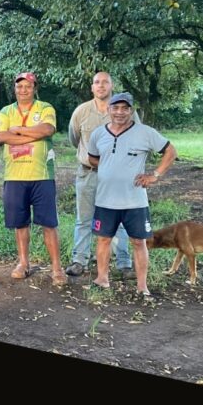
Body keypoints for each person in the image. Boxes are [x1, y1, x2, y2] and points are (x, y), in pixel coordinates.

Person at [87, 91, 177, 295]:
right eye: (115, 108)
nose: (120, 112)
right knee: (103, 239)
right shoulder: (98, 134)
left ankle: (142, 286)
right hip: (105, 199)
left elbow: (171, 151)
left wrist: (155, 175)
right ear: (108, 110)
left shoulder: (145, 132)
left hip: (135, 201)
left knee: (138, 242)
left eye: (124, 108)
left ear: (131, 110)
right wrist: (110, 167)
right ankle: (102, 279)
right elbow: (92, 158)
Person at [0, 72, 67, 286]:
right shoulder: (6, 111)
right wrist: (32, 136)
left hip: (42, 175)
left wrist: (18, 131)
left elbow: (47, 129)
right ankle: (23, 263)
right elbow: (1, 136)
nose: (23, 90)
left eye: (28, 86)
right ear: (15, 89)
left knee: (49, 223)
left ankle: (57, 268)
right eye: (20, 86)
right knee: (20, 223)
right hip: (14, 176)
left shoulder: (45, 108)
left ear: (35, 88)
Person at [66, 72, 135, 278]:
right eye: (97, 82)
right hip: (89, 173)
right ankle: (79, 260)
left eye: (105, 82)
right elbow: (74, 138)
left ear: (112, 85)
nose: (101, 85)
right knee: (84, 219)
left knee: (120, 219)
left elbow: (137, 138)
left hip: (118, 176)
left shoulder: (125, 111)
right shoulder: (82, 111)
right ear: (92, 87)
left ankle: (124, 263)